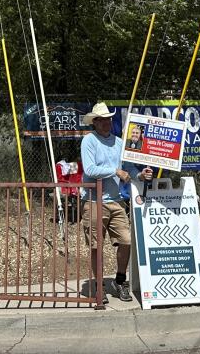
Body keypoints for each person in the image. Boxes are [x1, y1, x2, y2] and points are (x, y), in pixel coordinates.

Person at [80, 102, 152, 301]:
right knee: (96, 245)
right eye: (102, 120)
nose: (107, 123)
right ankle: (99, 285)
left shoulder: (120, 142)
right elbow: (90, 170)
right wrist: (115, 171)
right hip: (93, 200)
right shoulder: (89, 141)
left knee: (126, 241)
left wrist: (140, 176)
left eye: (109, 119)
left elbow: (128, 169)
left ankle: (120, 281)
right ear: (95, 122)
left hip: (117, 200)